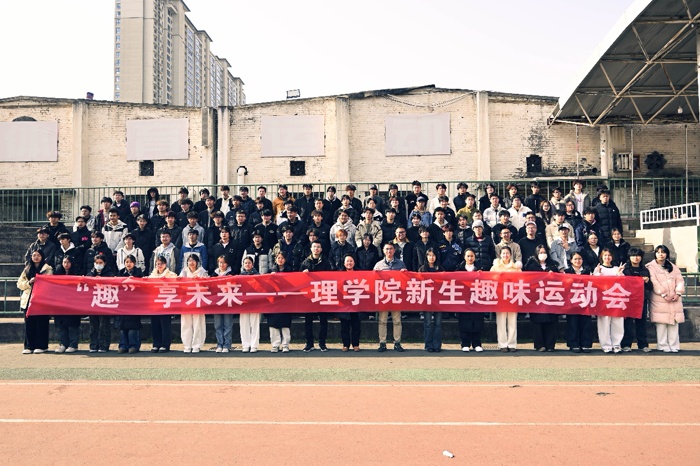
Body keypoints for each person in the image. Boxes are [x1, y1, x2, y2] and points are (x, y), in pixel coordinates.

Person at [646, 245, 685, 353]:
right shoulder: (650, 267)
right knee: (661, 323)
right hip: (659, 299)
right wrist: (663, 294)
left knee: (674, 322)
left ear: (667, 254)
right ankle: (662, 345)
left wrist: (678, 293)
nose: (661, 254)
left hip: (674, 298)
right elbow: (654, 282)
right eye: (658, 252)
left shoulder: (673, 267)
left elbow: (680, 280)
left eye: (663, 252)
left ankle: (674, 345)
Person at [523, 246, 560, 351]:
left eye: (544, 252)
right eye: (540, 252)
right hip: (536, 297)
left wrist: (553, 275)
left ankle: (550, 345)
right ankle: (540, 345)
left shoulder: (553, 265)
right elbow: (527, 279)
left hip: (551, 296)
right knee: (537, 322)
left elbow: (559, 279)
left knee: (551, 321)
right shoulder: (530, 265)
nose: (542, 254)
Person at [18, 249, 53, 354]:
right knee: (29, 323)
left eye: (38, 255)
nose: (36, 257)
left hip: (41, 299)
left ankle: (41, 346)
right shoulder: (27, 268)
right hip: (28, 299)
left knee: (41, 323)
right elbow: (20, 283)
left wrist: (39, 280)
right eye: (34, 255)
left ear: (42, 257)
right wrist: (29, 282)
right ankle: (29, 346)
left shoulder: (47, 268)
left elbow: (49, 282)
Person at [300, 241, 334, 352]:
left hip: (322, 294)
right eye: (314, 247)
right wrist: (303, 274)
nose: (316, 249)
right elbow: (298, 279)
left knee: (323, 320)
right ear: (311, 248)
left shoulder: (326, 262)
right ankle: (309, 343)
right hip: (309, 296)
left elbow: (330, 277)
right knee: (308, 321)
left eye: (318, 247)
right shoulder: (305, 262)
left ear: (321, 249)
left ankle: (322, 343)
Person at [373, 243, 407, 352]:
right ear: (383, 251)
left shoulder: (400, 264)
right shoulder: (379, 265)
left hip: (396, 296)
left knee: (397, 320)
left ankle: (397, 342)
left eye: (391, 249)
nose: (389, 251)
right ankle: (382, 343)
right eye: (387, 249)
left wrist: (405, 273)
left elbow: (405, 281)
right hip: (384, 297)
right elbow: (372, 281)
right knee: (382, 321)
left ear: (394, 250)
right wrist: (375, 274)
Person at [594, 248, 625, 353]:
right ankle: (606, 345)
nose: (607, 257)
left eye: (609, 255)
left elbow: (623, 283)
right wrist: (598, 273)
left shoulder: (616, 268)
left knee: (618, 323)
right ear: (601, 257)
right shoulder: (598, 269)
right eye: (605, 255)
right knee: (604, 324)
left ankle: (616, 344)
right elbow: (595, 283)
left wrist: (620, 273)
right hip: (603, 300)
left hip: (616, 299)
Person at [620, 248, 651, 352]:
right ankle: (626, 344)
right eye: (633, 256)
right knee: (627, 322)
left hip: (641, 299)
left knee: (641, 322)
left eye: (638, 255)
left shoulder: (645, 270)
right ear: (629, 257)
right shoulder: (625, 269)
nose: (636, 258)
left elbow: (650, 287)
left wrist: (647, 281)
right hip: (627, 299)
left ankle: (643, 344)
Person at [490, 246, 521, 352]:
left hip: (513, 296)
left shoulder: (516, 268)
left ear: (511, 255)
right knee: (501, 321)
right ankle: (502, 344)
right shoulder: (495, 267)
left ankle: (512, 344)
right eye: (503, 253)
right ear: (500, 255)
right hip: (500, 296)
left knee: (512, 321)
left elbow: (521, 280)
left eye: (507, 253)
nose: (505, 255)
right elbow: (490, 280)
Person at [456, 249, 485, 352]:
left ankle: (477, 343)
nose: (470, 258)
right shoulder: (459, 269)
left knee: (477, 321)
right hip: (464, 299)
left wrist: (481, 275)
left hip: (477, 298)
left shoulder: (480, 268)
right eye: (468, 256)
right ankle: (465, 343)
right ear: (464, 257)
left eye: (472, 256)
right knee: (464, 321)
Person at [564, 252, 593, 353]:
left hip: (585, 301)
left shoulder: (587, 271)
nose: (577, 261)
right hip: (571, 301)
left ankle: (585, 344)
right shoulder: (566, 272)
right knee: (572, 323)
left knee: (586, 323)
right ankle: (573, 344)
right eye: (575, 259)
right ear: (571, 260)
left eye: (579, 259)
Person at [148, 255, 178, 353]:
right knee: (155, 324)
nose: (159, 265)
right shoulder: (152, 276)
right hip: (155, 303)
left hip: (166, 303)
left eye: (161, 264)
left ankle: (165, 344)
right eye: (158, 264)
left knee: (165, 324)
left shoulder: (171, 275)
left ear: (165, 264)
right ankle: (156, 344)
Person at [179, 254, 208, 353]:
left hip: (198, 300)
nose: (191, 263)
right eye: (189, 261)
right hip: (186, 301)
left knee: (198, 323)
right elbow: (179, 286)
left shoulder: (202, 272)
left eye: (193, 261)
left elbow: (207, 286)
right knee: (186, 323)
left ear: (197, 262)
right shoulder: (183, 272)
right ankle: (187, 345)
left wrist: (200, 280)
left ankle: (197, 345)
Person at [86, 254, 115, 353]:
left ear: (104, 263)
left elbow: (112, 283)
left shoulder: (109, 274)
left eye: (100, 263)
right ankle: (94, 345)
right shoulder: (90, 274)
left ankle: (104, 345)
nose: (98, 264)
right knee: (93, 325)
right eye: (97, 263)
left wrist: (102, 280)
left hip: (105, 302)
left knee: (104, 325)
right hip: (93, 302)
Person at [418, 248, 444, 352]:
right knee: (427, 323)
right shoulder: (422, 269)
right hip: (427, 299)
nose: (431, 257)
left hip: (438, 300)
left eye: (433, 255)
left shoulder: (441, 269)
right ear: (426, 257)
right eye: (429, 255)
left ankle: (437, 345)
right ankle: (428, 345)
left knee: (438, 323)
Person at [267, 252, 293, 353]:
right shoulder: (271, 270)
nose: (280, 260)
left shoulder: (290, 270)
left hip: (286, 300)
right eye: (278, 258)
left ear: (285, 259)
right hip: (274, 301)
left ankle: (285, 344)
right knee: (273, 323)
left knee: (285, 324)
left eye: (282, 258)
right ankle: (275, 344)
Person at [117, 255, 143, 354]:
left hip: (134, 302)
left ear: (134, 263)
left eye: (130, 262)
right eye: (127, 262)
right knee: (122, 326)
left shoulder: (138, 273)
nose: (128, 264)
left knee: (133, 325)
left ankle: (134, 345)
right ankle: (123, 345)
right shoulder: (120, 273)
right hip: (123, 302)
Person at [338, 254, 362, 352]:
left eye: (351, 261)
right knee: (345, 325)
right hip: (344, 303)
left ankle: (356, 344)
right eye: (347, 261)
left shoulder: (360, 273)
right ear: (344, 263)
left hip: (356, 302)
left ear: (354, 263)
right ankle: (346, 344)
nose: (349, 263)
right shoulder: (339, 274)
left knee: (356, 325)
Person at [211, 255, 234, 353]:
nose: (222, 264)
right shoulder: (213, 274)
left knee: (228, 324)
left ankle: (227, 344)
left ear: (227, 264)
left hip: (228, 302)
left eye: (224, 262)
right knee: (218, 325)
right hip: (217, 303)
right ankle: (219, 344)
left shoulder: (231, 274)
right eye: (220, 262)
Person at [239, 255, 261, 352]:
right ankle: (245, 344)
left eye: (249, 263)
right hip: (243, 302)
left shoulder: (258, 275)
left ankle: (254, 345)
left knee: (254, 324)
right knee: (244, 324)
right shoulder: (240, 276)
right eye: (245, 263)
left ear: (252, 264)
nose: (247, 264)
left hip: (254, 302)